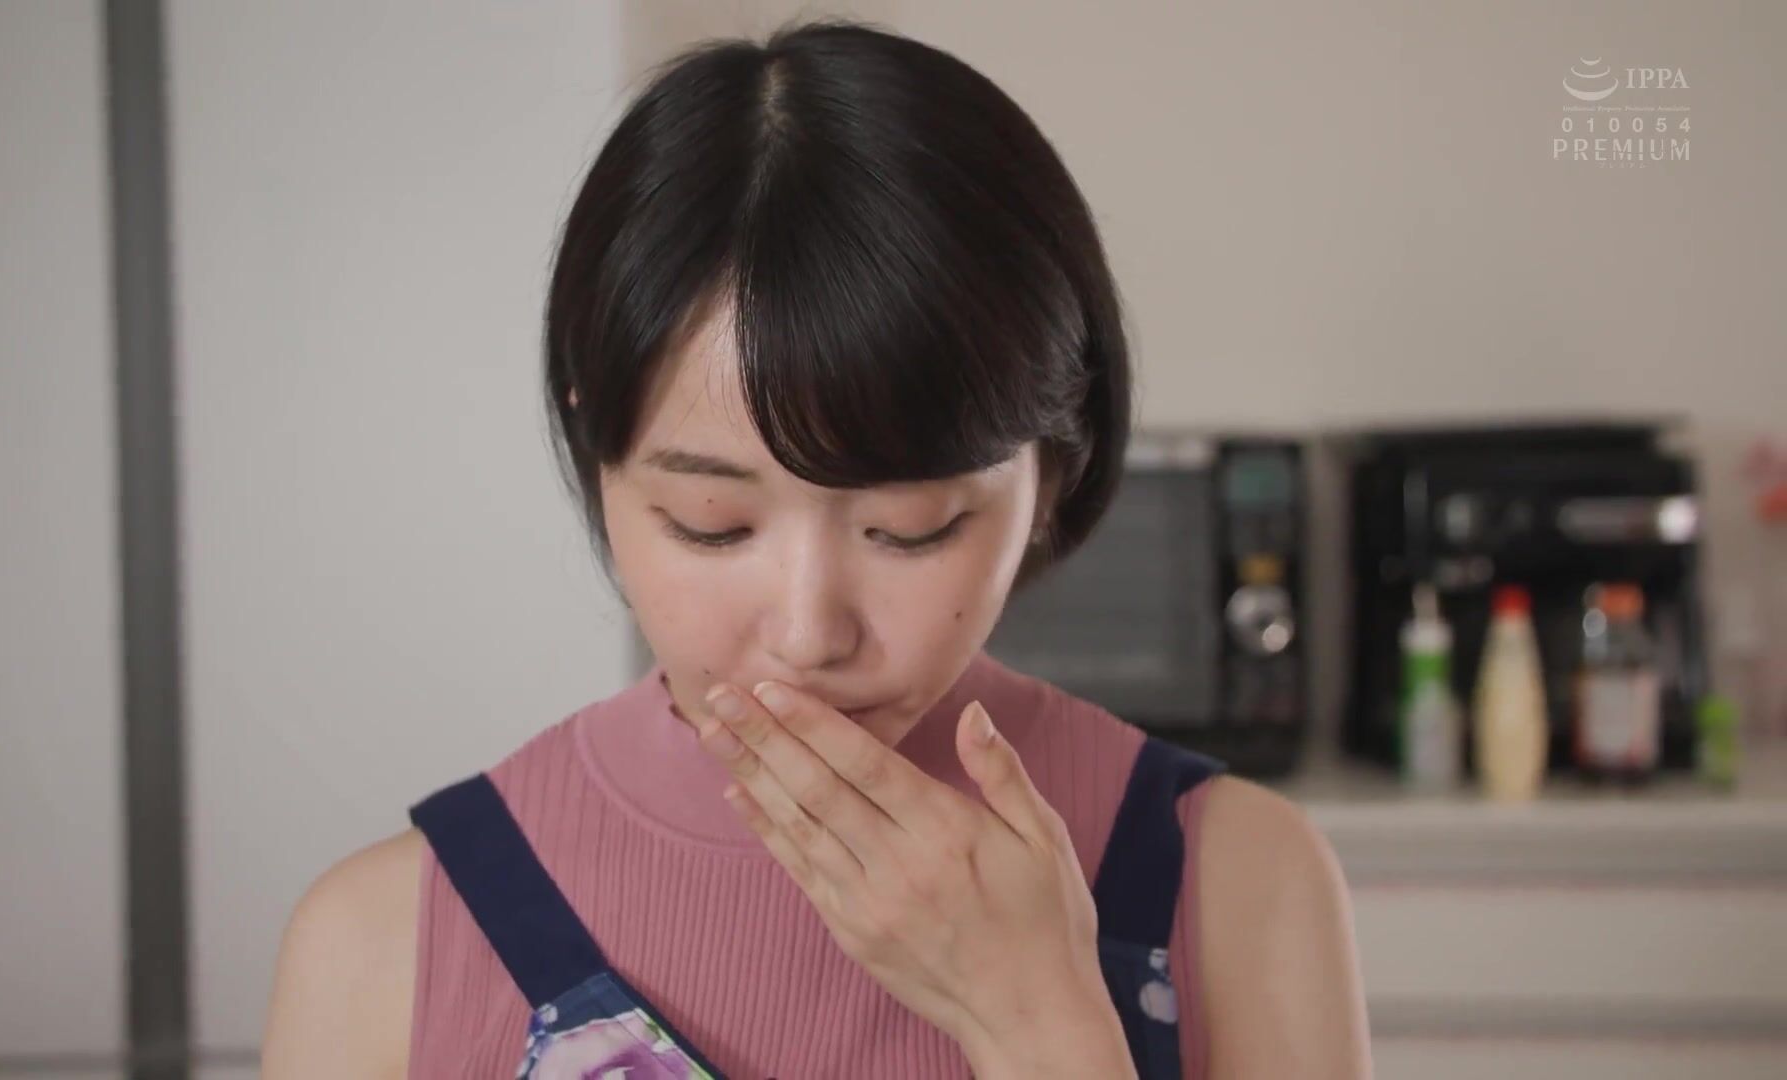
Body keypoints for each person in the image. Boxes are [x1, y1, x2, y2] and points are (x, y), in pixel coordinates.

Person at [261, 18, 1369, 1079]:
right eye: (712, 523)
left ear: (1051, 472)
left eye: (909, 528)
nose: (806, 633)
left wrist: (1040, 1024)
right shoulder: (383, 940)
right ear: (599, 451)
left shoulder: (1239, 885)